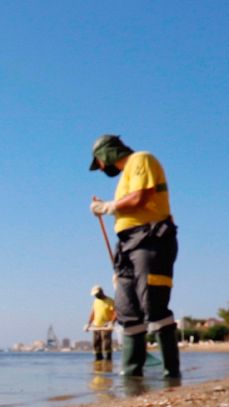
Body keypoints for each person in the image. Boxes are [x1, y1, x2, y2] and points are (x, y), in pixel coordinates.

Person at [88, 134, 181, 378]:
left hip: (151, 238)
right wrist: (110, 207)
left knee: (154, 303)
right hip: (127, 244)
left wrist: (108, 206)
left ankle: (171, 374)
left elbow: (140, 197)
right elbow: (128, 203)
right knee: (127, 307)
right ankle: (131, 376)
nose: (100, 168)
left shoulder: (141, 159)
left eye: (98, 162)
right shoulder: (123, 179)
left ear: (106, 154)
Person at [83, 284, 116, 361]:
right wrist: (88, 323)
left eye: (97, 294)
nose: (96, 296)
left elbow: (116, 312)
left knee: (106, 343)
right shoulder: (96, 301)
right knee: (96, 343)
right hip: (96, 326)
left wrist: (112, 322)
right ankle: (98, 359)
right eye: (95, 295)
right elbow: (93, 312)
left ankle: (108, 360)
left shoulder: (110, 301)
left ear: (101, 292)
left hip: (106, 326)